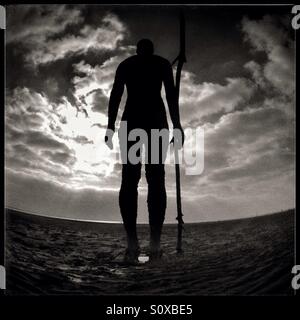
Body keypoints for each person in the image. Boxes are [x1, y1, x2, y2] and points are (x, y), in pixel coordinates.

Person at [105, 39, 184, 263]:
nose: (146, 50)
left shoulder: (160, 65)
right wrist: (110, 125)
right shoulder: (129, 65)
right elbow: (116, 94)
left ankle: (154, 245)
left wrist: (177, 125)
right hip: (135, 124)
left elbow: (171, 95)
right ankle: (133, 244)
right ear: (139, 50)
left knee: (155, 179)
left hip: (153, 124)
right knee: (132, 180)